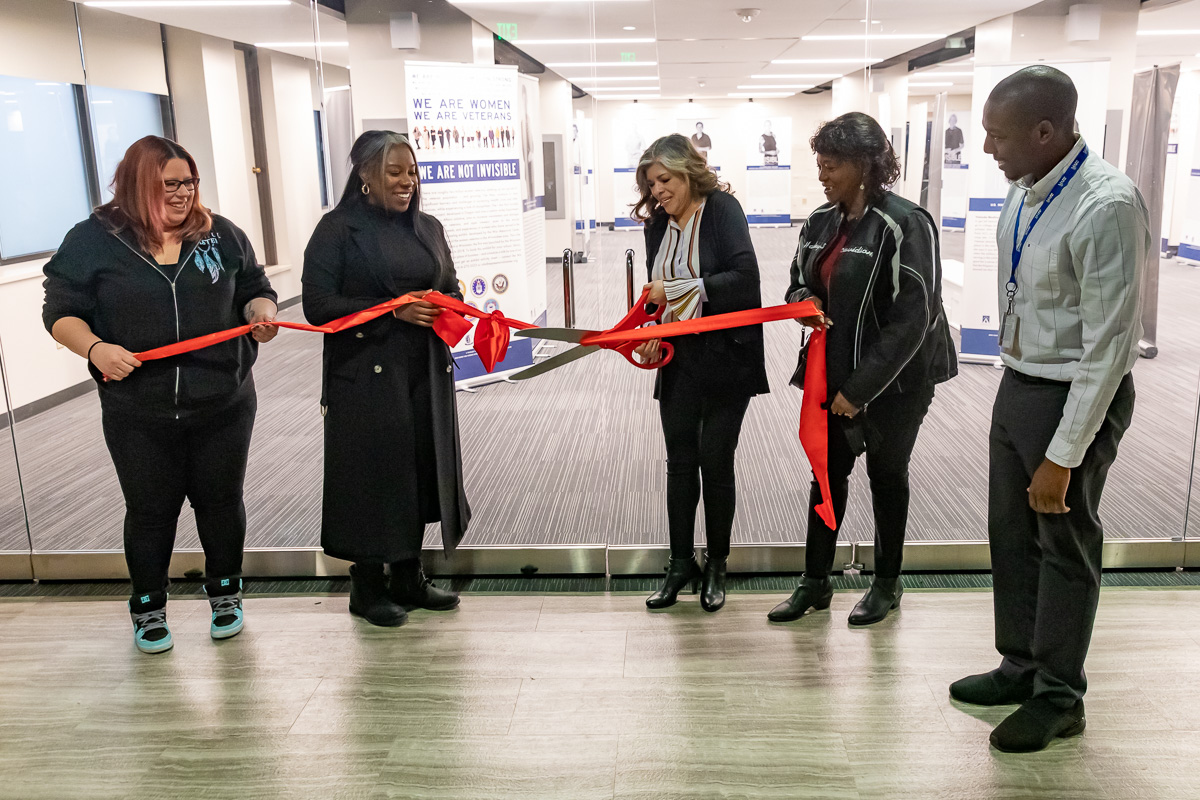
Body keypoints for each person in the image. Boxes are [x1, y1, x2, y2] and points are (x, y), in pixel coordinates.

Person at [950, 66, 1148, 754]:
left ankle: (1060, 696)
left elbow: (1110, 346)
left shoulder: (1106, 204)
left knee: (1062, 543)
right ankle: (1021, 664)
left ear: (1046, 131)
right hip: (1021, 383)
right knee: (1010, 533)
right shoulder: (1026, 188)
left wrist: (1064, 454)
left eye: (997, 135)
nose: (986, 148)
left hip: (1074, 393)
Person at [42, 135, 278, 654]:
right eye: (169, 184)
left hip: (223, 399)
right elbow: (59, 311)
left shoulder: (219, 233)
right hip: (138, 407)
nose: (183, 194)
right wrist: (96, 348)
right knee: (151, 509)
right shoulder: (93, 240)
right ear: (137, 184)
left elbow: (254, 286)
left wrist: (259, 311)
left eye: (189, 183)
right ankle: (148, 607)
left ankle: (226, 593)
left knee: (220, 501)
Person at [768, 112, 956, 626]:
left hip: (894, 383)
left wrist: (860, 390)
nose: (822, 176)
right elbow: (796, 283)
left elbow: (914, 317)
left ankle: (887, 582)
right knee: (825, 477)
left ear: (864, 165)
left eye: (831, 166)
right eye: (821, 165)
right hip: (831, 373)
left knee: (886, 476)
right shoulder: (820, 222)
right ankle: (815, 581)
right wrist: (803, 297)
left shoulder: (905, 223)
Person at [302, 130, 469, 627]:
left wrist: (447, 302)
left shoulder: (429, 227)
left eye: (412, 172)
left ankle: (408, 576)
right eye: (395, 172)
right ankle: (367, 585)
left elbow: (450, 284)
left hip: (423, 370)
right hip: (365, 374)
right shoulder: (336, 230)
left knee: (417, 471)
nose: (407, 182)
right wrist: (391, 312)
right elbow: (318, 308)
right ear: (365, 176)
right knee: (374, 477)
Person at [632, 134, 769, 613]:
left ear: (689, 172)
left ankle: (716, 563)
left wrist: (675, 292)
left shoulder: (722, 209)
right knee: (679, 461)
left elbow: (744, 282)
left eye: (665, 180)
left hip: (728, 356)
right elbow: (654, 297)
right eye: (651, 184)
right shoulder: (656, 225)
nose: (658, 192)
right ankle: (679, 562)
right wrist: (650, 330)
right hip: (679, 356)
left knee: (716, 460)